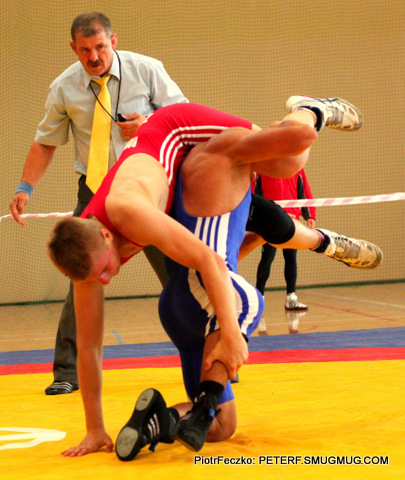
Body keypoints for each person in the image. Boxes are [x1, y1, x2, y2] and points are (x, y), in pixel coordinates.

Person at [47, 98, 373, 457]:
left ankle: (311, 109)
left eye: (105, 269)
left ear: (106, 234)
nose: (106, 279)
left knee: (288, 160)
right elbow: (89, 345)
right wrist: (95, 429)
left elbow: (207, 260)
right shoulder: (85, 254)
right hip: (182, 182)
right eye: (99, 277)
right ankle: (165, 419)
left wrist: (231, 333)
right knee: (222, 425)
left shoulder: (130, 209)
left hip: (176, 129)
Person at [8, 12, 188, 395]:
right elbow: (45, 142)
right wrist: (25, 187)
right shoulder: (64, 87)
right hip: (95, 194)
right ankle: (67, 373)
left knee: (180, 276)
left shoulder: (147, 69)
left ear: (113, 41)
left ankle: (208, 357)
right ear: (73, 48)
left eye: (101, 47)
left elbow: (182, 117)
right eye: (85, 50)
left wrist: (148, 123)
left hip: (149, 191)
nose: (94, 57)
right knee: (83, 276)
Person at [254, 170, 315, 332]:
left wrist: (309, 215)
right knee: (267, 257)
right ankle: (259, 299)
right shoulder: (263, 167)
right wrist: (255, 218)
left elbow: (303, 191)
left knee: (291, 258)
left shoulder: (297, 168)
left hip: (292, 219)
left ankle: (291, 298)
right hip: (270, 218)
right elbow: (255, 193)